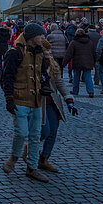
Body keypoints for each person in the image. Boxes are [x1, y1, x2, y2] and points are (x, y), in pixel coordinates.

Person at [1, 22, 51, 181]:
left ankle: (32, 167)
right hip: (20, 99)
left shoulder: (40, 52)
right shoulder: (15, 53)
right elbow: (7, 77)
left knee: (35, 136)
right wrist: (9, 99)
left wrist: (45, 85)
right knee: (21, 133)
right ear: (31, 37)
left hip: (36, 100)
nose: (43, 38)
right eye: (40, 35)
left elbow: (43, 73)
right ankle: (14, 158)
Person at [36, 36, 77, 172]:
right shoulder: (34, 64)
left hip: (52, 101)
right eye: (45, 51)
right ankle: (30, 149)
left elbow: (59, 82)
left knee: (53, 130)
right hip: (39, 101)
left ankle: (44, 158)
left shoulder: (53, 64)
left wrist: (68, 98)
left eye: (49, 51)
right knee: (44, 131)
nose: (48, 53)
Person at [65, 24, 96, 97]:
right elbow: (94, 52)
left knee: (76, 77)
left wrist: (64, 63)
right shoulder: (90, 42)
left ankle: (75, 91)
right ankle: (91, 91)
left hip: (77, 62)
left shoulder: (74, 42)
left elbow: (68, 54)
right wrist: (95, 61)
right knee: (88, 77)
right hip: (88, 62)